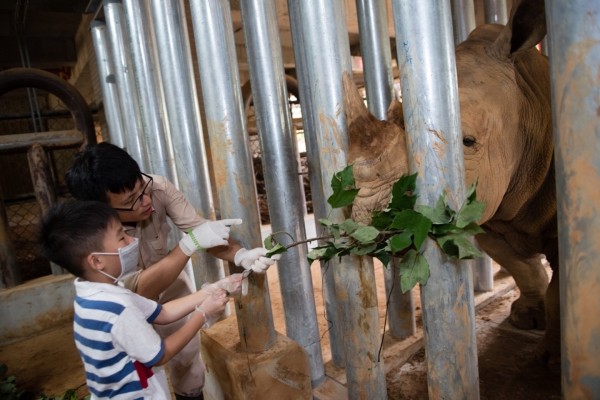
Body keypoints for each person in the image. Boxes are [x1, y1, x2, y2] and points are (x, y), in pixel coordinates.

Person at [65, 142, 280, 400]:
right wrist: (191, 248)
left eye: (140, 186)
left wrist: (240, 255)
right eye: (132, 200)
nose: (146, 200)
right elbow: (140, 295)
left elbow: (200, 232)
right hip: (130, 286)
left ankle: (189, 394)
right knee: (148, 359)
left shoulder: (156, 186)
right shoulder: (98, 246)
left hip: (168, 273)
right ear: (105, 210)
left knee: (188, 356)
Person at [38, 200, 244, 399]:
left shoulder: (94, 295)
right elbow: (161, 354)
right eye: (121, 238)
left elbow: (163, 313)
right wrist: (202, 313)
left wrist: (217, 287)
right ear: (97, 261)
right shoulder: (119, 310)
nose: (131, 241)